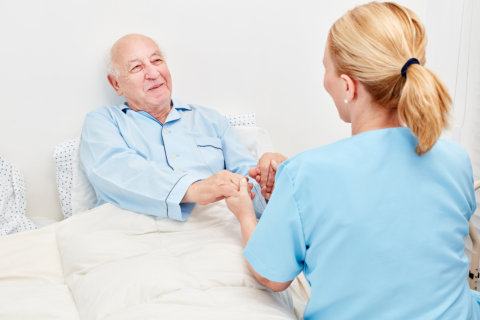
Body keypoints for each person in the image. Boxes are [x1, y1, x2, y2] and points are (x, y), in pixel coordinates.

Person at [226, 2, 479, 319]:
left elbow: (272, 277)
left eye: (325, 69)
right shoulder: (455, 159)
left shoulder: (306, 175)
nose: (324, 80)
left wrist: (245, 213)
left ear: (348, 86)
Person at [79, 33, 266, 221]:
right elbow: (117, 171)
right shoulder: (102, 122)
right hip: (131, 228)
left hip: (214, 227)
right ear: (116, 84)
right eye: (137, 67)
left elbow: (249, 185)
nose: (153, 73)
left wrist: (269, 185)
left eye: (157, 60)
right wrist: (191, 189)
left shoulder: (211, 120)